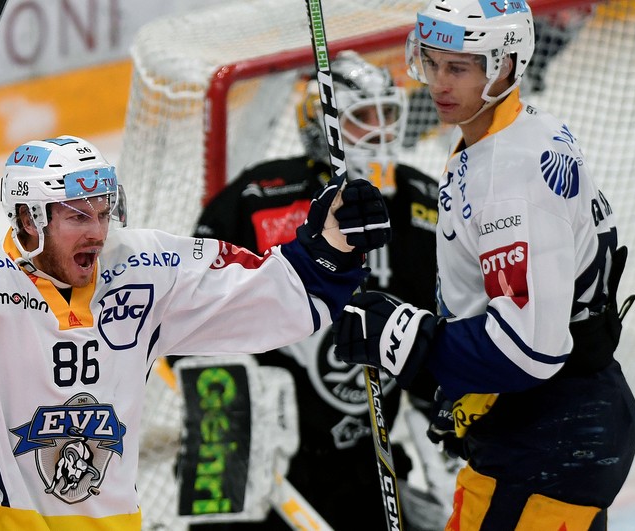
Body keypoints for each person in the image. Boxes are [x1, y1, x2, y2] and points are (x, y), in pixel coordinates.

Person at [0, 134, 391, 530]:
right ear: (30, 221)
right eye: (78, 217)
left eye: (104, 213)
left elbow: (276, 298)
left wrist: (331, 248)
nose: (99, 232)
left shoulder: (143, 266)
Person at [334, 1, 635, 530]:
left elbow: (530, 349)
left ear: (505, 65)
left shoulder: (508, 178)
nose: (437, 84)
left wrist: (407, 341)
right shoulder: (509, 132)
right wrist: (463, 391)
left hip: (551, 438)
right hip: (551, 428)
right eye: (430, 63)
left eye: (458, 68)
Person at [185, 50, 443, 531]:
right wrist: (244, 425)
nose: (381, 131)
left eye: (388, 114)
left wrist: (445, 456)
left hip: (368, 466)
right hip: (262, 468)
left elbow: (443, 336)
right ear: (324, 126)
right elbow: (189, 319)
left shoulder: (422, 203)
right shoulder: (260, 198)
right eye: (363, 117)